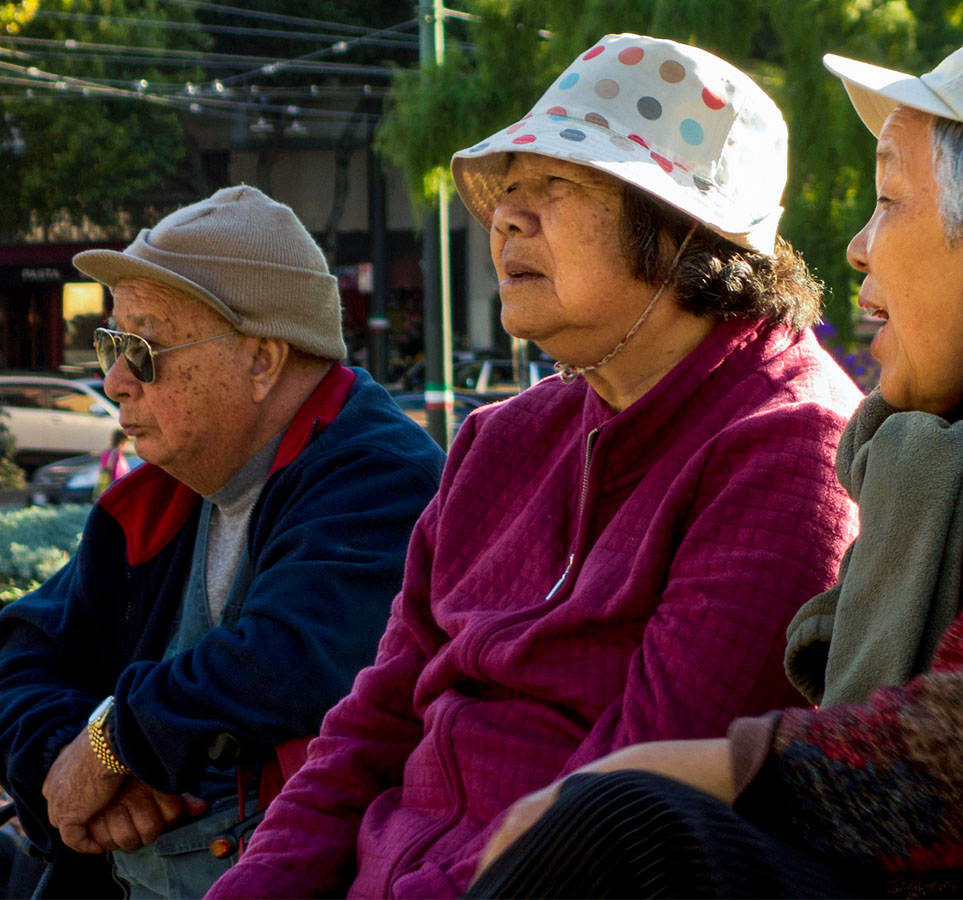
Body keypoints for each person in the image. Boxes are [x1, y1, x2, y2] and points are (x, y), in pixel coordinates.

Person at [465, 35, 963, 900]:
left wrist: (646, 778)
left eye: (889, 199)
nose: (858, 246)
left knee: (624, 825)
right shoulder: (952, 450)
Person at [207, 33, 862, 900]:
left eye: (556, 183)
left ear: (681, 227)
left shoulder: (787, 448)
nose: (506, 217)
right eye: (505, 189)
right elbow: (368, 729)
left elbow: (623, 809)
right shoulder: (500, 442)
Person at [0, 185, 444, 899]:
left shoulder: (381, 476)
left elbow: (287, 657)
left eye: (141, 348)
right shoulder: (165, 491)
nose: (114, 382)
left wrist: (114, 742)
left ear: (262, 361)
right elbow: (22, 649)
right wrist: (65, 756)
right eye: (112, 345)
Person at [93, 428, 131, 500]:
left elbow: (102, 468)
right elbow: (111, 469)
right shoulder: (115, 453)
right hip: (114, 488)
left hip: (107, 487)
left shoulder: (106, 452)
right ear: (123, 441)